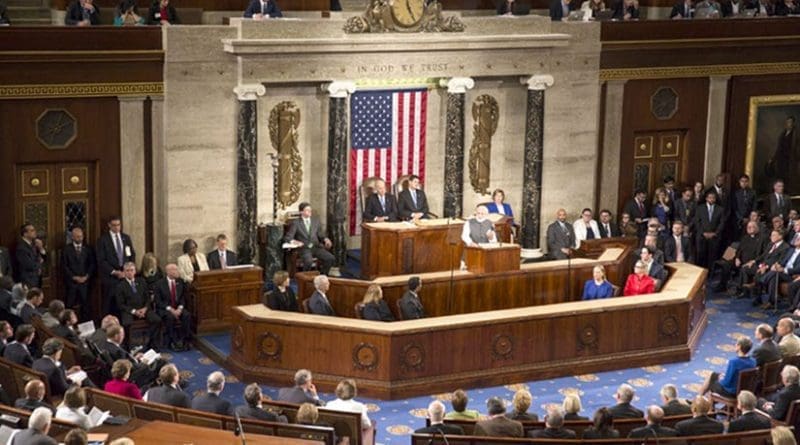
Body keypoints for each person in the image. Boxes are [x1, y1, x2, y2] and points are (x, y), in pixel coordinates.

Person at [115, 262, 161, 349]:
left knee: (156, 320)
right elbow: (120, 304)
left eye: (131, 270)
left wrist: (145, 309)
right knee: (127, 323)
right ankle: (127, 346)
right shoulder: (120, 286)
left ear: (135, 271)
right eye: (127, 271)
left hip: (143, 309)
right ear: (124, 272)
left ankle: (152, 344)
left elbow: (148, 298)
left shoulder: (142, 281)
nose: (130, 272)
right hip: (129, 311)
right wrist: (134, 311)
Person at [96, 216, 136, 316]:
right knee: (109, 304)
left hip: (125, 276)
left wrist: (128, 271)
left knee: (124, 302)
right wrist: (114, 272)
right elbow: (101, 260)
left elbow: (131, 255)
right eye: (114, 225)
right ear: (109, 225)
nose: (117, 228)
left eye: (118, 225)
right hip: (110, 278)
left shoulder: (126, 238)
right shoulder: (103, 240)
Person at [284, 202, 335, 276]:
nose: (310, 212)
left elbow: (320, 234)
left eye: (310, 210)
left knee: (330, 258)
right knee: (308, 262)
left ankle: (322, 276)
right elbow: (288, 237)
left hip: (316, 247)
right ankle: (305, 278)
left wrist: (326, 239)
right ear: (301, 212)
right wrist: (295, 242)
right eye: (307, 210)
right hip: (304, 248)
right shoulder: (296, 223)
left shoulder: (315, 220)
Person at [722, 221, 766, 297]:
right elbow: (738, 250)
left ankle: (742, 290)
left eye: (752, 227)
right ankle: (722, 286)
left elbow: (764, 253)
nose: (750, 229)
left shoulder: (763, 238)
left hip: (754, 262)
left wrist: (753, 261)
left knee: (744, 268)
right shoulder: (745, 238)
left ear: (757, 228)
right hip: (741, 260)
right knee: (726, 265)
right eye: (748, 227)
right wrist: (737, 258)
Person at [154, 263, 191, 351]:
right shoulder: (159, 284)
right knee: (169, 317)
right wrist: (170, 309)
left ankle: (184, 340)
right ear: (168, 272)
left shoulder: (180, 281)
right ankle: (171, 341)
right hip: (165, 309)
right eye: (174, 270)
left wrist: (180, 308)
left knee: (186, 315)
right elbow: (158, 301)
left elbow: (183, 297)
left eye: (176, 269)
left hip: (178, 307)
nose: (176, 272)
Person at [61, 226, 95, 322]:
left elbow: (92, 264)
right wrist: (73, 277)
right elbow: (64, 266)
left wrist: (87, 276)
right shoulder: (66, 249)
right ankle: (69, 325)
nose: (79, 238)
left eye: (81, 236)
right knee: (69, 305)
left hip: (85, 282)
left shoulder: (88, 249)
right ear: (72, 237)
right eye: (77, 237)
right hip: (71, 283)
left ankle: (86, 325)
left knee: (86, 305)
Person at [757, 242, 800, 309]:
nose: (796, 240)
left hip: (792, 274)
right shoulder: (791, 250)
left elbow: (798, 269)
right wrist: (777, 265)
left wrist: (783, 270)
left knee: (774, 273)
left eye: (799, 239)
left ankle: (762, 282)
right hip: (782, 272)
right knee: (774, 276)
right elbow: (783, 261)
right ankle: (771, 302)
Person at [694, 190, 725, 269]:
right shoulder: (700, 208)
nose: (711, 199)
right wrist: (703, 233)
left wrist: (715, 233)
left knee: (712, 257)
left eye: (713, 198)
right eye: (710, 198)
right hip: (702, 236)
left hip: (714, 237)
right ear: (706, 199)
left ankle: (711, 275)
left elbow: (721, 223)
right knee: (701, 256)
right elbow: (697, 222)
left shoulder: (720, 209)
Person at [16, 223, 46, 288]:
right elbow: (29, 265)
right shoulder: (21, 247)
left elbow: (44, 259)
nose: (35, 232)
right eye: (32, 230)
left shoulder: (34, 244)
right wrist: (40, 261)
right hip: (28, 281)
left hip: (36, 279)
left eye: (34, 230)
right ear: (25, 234)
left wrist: (41, 248)